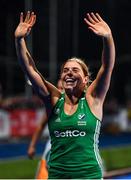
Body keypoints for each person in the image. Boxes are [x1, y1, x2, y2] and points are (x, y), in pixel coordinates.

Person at [15, 11, 115, 179]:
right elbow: (30, 69)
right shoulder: (53, 100)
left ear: (85, 79)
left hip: (89, 176)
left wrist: (108, 38)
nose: (69, 73)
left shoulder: (93, 99)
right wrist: (19, 40)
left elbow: (107, 67)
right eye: (65, 70)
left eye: (74, 70)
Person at [27, 79, 63, 179]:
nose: (60, 91)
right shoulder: (53, 107)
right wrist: (32, 146)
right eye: (58, 88)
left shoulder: (78, 107)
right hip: (51, 150)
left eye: (62, 88)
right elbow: (41, 126)